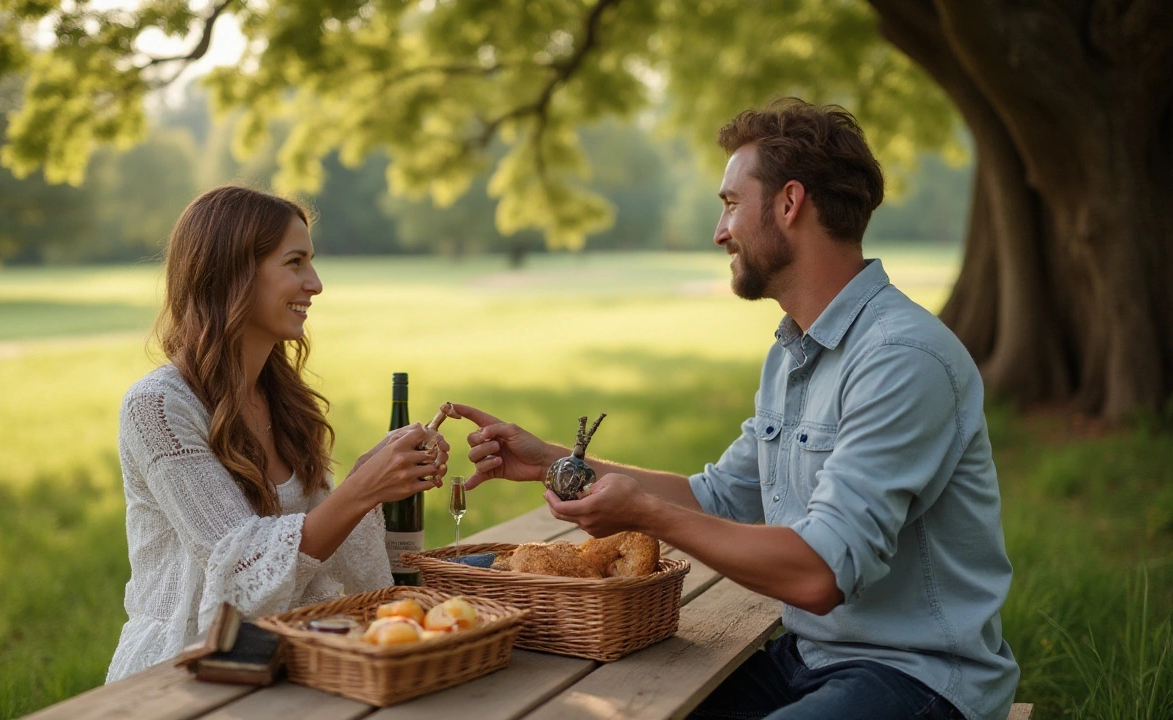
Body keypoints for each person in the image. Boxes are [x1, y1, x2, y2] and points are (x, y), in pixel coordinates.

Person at [452, 99, 1018, 720]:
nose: (720, 232)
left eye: (728, 203)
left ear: (789, 203)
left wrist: (644, 515)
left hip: (919, 679)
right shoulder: (794, 351)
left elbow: (820, 576)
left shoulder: (902, 359)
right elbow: (718, 497)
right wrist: (555, 462)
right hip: (808, 658)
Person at [106, 186, 448, 682]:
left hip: (286, 655)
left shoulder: (283, 398)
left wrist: (369, 478)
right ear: (232, 274)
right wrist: (361, 488)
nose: (316, 283)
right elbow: (242, 569)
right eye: (295, 263)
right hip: (188, 669)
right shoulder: (158, 407)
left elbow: (323, 553)